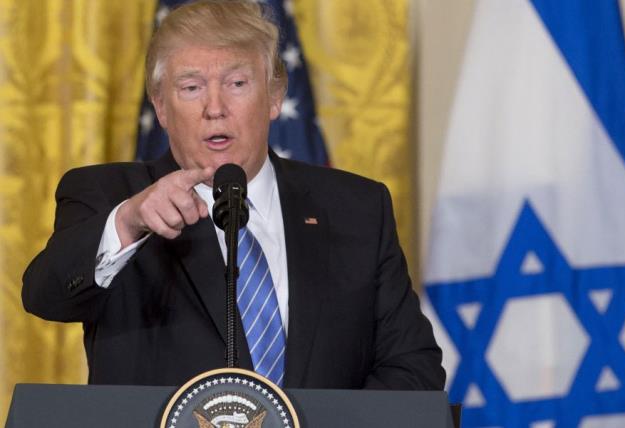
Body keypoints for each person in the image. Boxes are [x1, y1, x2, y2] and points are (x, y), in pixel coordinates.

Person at [22, 0, 445, 390]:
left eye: (237, 83)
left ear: (275, 96)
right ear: (161, 107)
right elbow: (45, 295)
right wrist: (129, 221)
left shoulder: (357, 208)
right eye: (191, 87)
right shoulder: (109, 194)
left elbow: (413, 369)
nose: (215, 107)